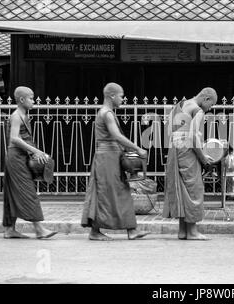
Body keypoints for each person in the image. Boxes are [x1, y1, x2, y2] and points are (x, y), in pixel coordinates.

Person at [81, 83, 150, 241]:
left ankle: (132, 230)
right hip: (106, 160)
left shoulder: (107, 112)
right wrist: (137, 148)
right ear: (112, 96)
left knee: (121, 192)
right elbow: (116, 135)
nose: (122, 99)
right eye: (121, 95)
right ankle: (95, 232)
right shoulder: (107, 113)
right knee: (104, 193)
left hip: (111, 157)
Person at [163, 87, 217, 240]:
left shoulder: (180, 105)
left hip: (174, 150)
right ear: (206, 98)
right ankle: (192, 232)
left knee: (181, 188)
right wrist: (203, 158)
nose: (209, 109)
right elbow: (193, 136)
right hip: (187, 151)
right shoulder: (197, 110)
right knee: (193, 188)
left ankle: (183, 231)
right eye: (211, 105)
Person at [2, 86, 57, 239]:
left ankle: (9, 229)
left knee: (12, 193)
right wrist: (35, 151)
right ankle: (39, 229)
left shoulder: (23, 115)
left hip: (20, 156)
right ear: (21, 99)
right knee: (28, 192)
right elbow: (14, 138)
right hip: (16, 158)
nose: (34, 101)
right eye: (31, 98)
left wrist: (34, 151)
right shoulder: (16, 116)